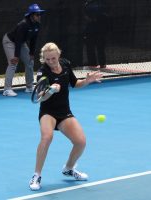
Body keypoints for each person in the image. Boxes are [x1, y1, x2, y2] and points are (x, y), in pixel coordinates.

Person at [29, 42, 103, 190]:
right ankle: (36, 175)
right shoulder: (43, 72)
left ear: (58, 55)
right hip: (48, 112)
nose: (50, 62)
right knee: (46, 137)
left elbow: (75, 84)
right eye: (47, 59)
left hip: (64, 112)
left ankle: (68, 168)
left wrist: (87, 81)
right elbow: (40, 98)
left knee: (80, 142)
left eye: (53, 58)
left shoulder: (66, 65)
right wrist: (50, 90)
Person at [2, 4, 45, 97]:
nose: (39, 16)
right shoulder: (23, 24)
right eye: (37, 14)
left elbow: (34, 40)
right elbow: (17, 40)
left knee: (30, 62)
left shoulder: (37, 25)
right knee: (13, 63)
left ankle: (29, 87)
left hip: (21, 43)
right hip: (10, 41)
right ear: (31, 15)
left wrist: (31, 53)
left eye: (40, 14)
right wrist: (16, 56)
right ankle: (7, 89)